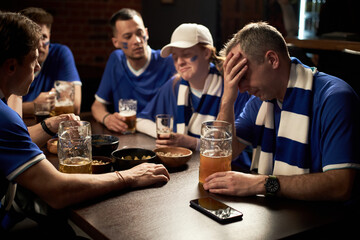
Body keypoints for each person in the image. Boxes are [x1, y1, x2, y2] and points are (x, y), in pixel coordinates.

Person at [0, 11, 169, 234]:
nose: (38, 68)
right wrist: (129, 176)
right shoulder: (5, 118)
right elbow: (58, 190)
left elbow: (12, 143)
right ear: (11, 66)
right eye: (33, 62)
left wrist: (48, 126)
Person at [203, 22, 360, 202]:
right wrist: (227, 98)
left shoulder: (335, 98)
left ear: (272, 59)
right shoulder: (259, 102)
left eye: (243, 76)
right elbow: (221, 153)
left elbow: (340, 186)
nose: (241, 88)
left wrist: (260, 184)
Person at [136, 23, 252, 168]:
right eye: (175, 57)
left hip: (231, 170)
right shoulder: (174, 85)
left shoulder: (234, 88)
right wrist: (169, 137)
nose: (180, 62)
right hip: (186, 169)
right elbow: (140, 120)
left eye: (186, 54)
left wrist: (190, 142)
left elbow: (233, 147)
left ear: (206, 53)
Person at [91, 8, 176, 133]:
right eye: (128, 36)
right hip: (127, 138)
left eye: (139, 33)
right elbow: (97, 105)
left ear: (146, 33)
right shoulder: (116, 60)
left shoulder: (168, 61)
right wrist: (107, 118)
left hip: (161, 138)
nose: (136, 41)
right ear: (116, 42)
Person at [19, 7, 82, 116]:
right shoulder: (10, 59)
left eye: (43, 37)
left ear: (50, 37)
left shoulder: (60, 53)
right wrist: (35, 105)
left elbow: (75, 106)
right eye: (33, 38)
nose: (40, 44)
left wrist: (25, 108)